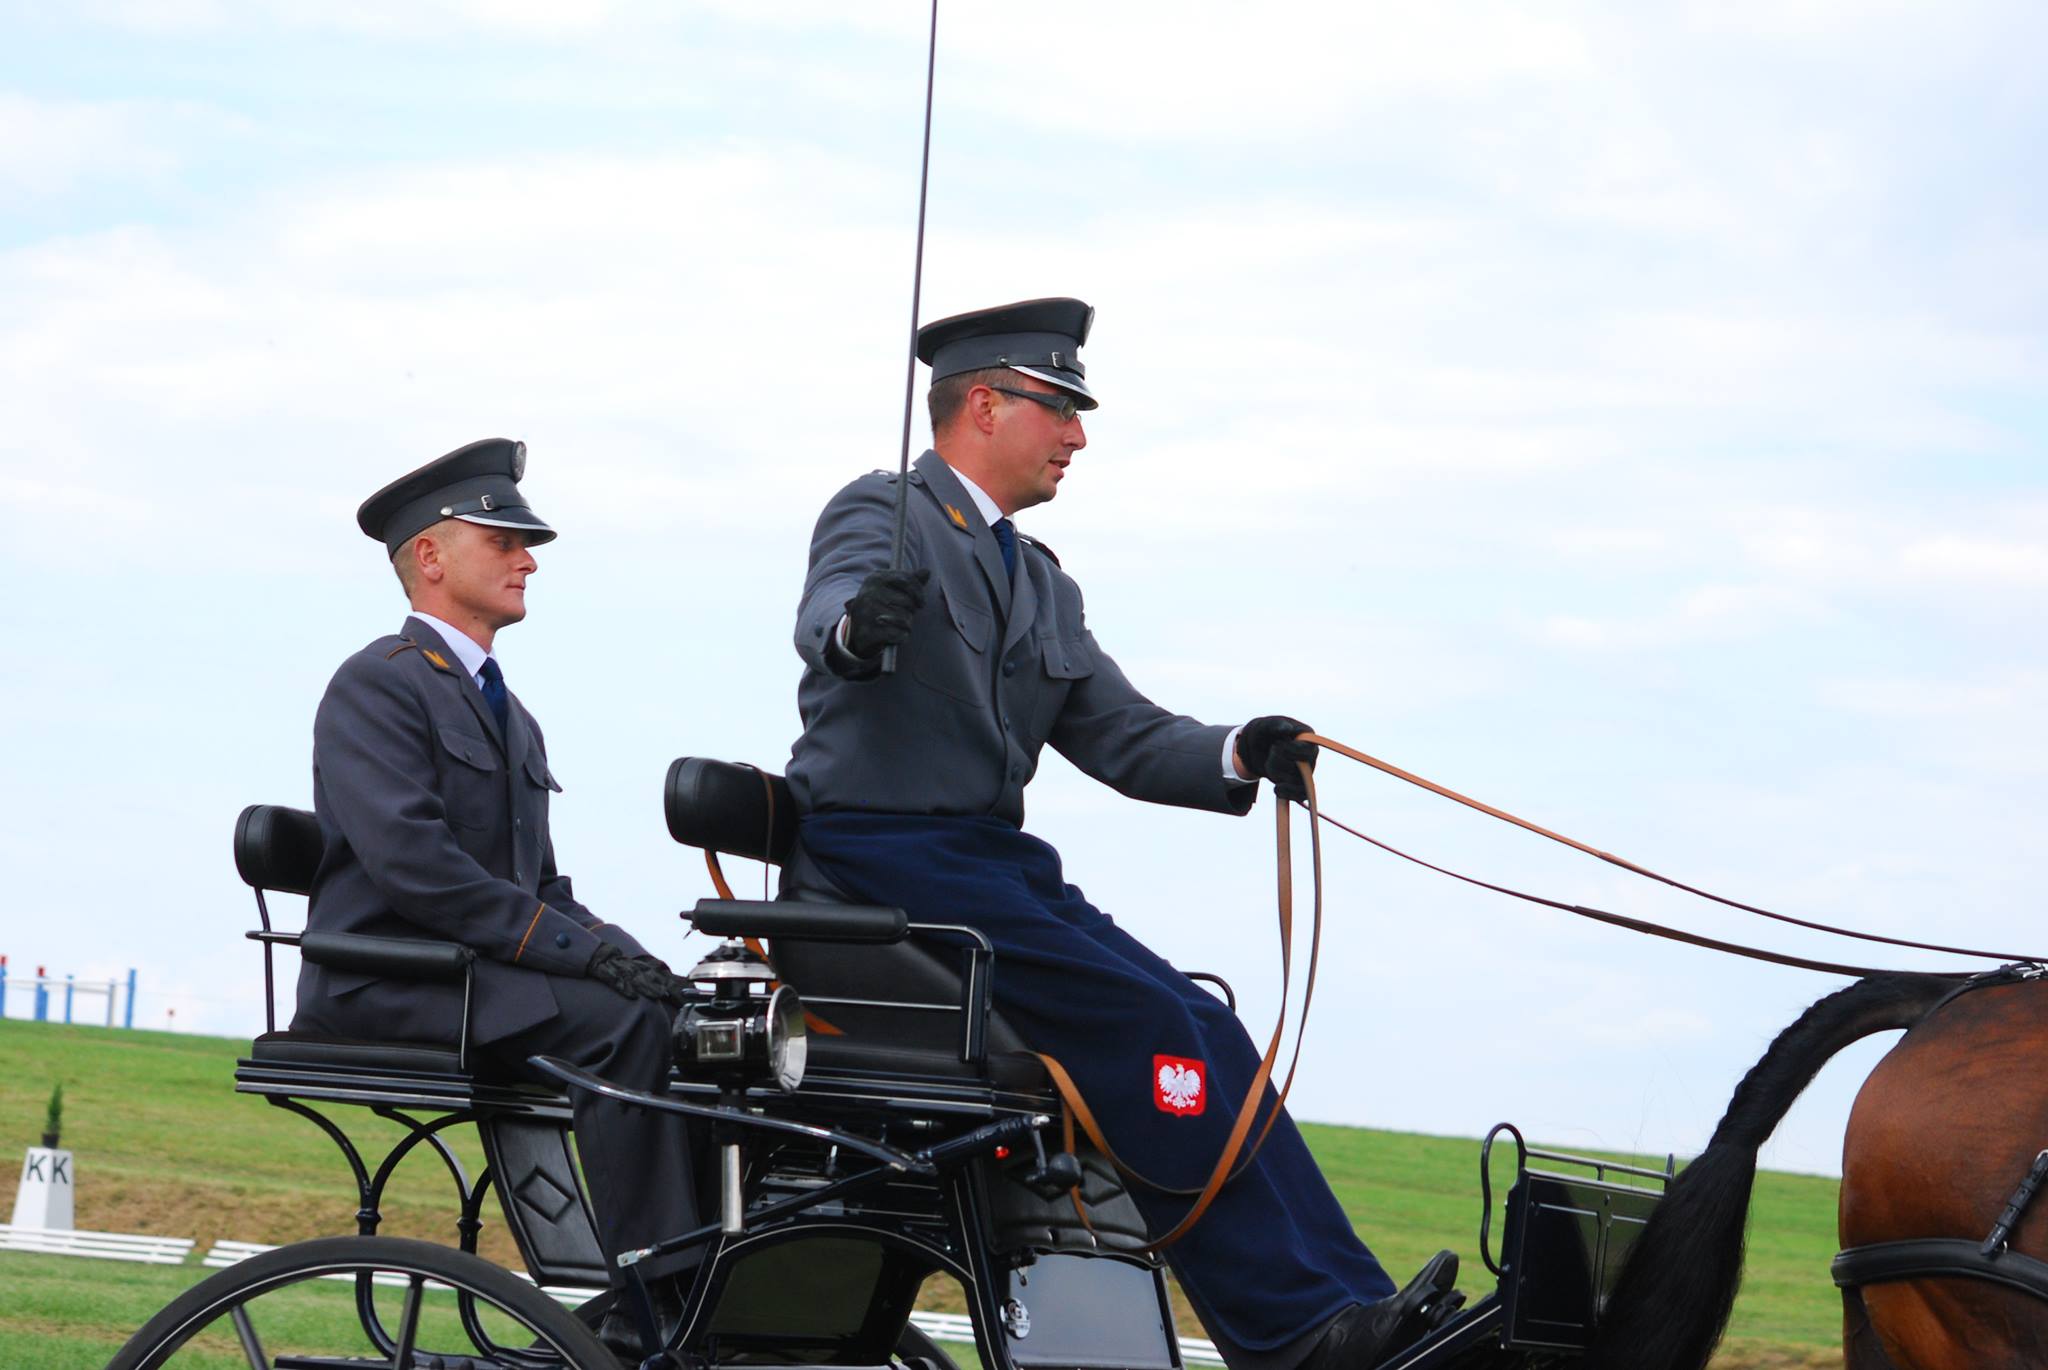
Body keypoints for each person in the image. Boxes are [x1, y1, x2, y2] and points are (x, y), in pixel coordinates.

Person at [782, 299, 1461, 1370]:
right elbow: (829, 612)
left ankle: (1361, 1312)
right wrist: (856, 629)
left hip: (991, 868)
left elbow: (1124, 735)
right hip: (881, 857)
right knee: (1153, 1025)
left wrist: (1241, 749)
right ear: (984, 404)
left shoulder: (1041, 581)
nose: (1077, 436)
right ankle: (1293, 1337)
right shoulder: (887, 512)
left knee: (1207, 1021)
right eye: (1059, 408)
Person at [294, 438, 699, 1350]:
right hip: (388, 979)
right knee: (617, 1025)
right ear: (430, 557)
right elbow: (419, 870)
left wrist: (636, 960)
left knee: (685, 1024)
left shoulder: (510, 714)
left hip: (470, 974)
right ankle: (653, 1301)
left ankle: (702, 1276)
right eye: (503, 541)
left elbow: (542, 887)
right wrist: (583, 961)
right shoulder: (377, 685)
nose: (528, 561)